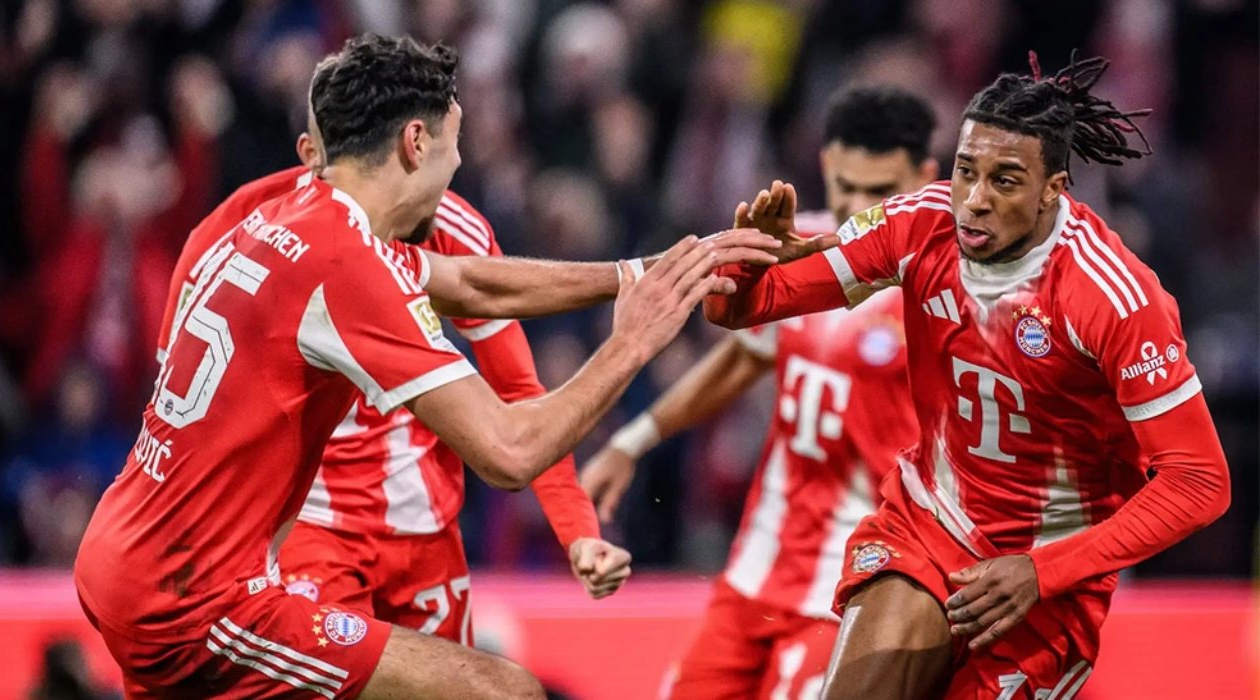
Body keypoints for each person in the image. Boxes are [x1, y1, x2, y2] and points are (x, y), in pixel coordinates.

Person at [74, 34, 779, 700]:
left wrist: (649, 272)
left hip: (133, 549)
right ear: (416, 142)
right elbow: (509, 451)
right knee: (507, 692)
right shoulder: (347, 263)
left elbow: (472, 284)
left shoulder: (284, 216)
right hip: (197, 596)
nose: (459, 163)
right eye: (455, 143)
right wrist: (633, 341)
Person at [704, 52, 1231, 700]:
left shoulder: (1113, 296)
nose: (975, 201)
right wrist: (746, 264)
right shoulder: (920, 224)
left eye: (1005, 181)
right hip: (929, 527)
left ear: (1053, 189)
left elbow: (1200, 482)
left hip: (1047, 576)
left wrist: (1042, 571)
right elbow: (742, 309)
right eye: (966, 171)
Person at [160, 142, 629, 649]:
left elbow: (517, 390)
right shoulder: (239, 228)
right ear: (312, 151)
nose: (456, 164)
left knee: (467, 680)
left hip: (427, 537)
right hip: (311, 531)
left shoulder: (450, 227)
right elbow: (182, 408)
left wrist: (578, 531)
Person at [579, 86, 937, 699]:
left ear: (925, 177)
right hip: (757, 569)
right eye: (846, 186)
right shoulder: (802, 249)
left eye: (880, 191)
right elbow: (741, 359)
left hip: (857, 581)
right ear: (826, 165)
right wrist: (631, 441)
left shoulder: (938, 287)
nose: (858, 207)